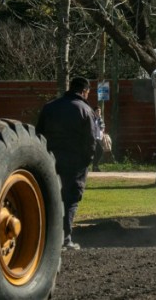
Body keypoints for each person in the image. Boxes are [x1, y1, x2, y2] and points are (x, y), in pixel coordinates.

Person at [36, 76, 99, 251]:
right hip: (75, 161)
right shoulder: (86, 110)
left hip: (50, 159)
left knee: (50, 196)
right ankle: (65, 238)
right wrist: (88, 159)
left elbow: (38, 133)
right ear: (84, 91)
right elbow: (91, 139)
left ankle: (47, 237)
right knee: (71, 198)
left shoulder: (50, 107)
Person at [92, 107, 106, 172]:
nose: (99, 112)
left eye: (100, 111)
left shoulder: (100, 119)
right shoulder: (93, 119)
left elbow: (102, 128)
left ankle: (95, 166)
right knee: (100, 150)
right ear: (94, 112)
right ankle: (95, 166)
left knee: (97, 152)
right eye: (97, 111)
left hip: (100, 137)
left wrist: (103, 136)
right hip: (94, 138)